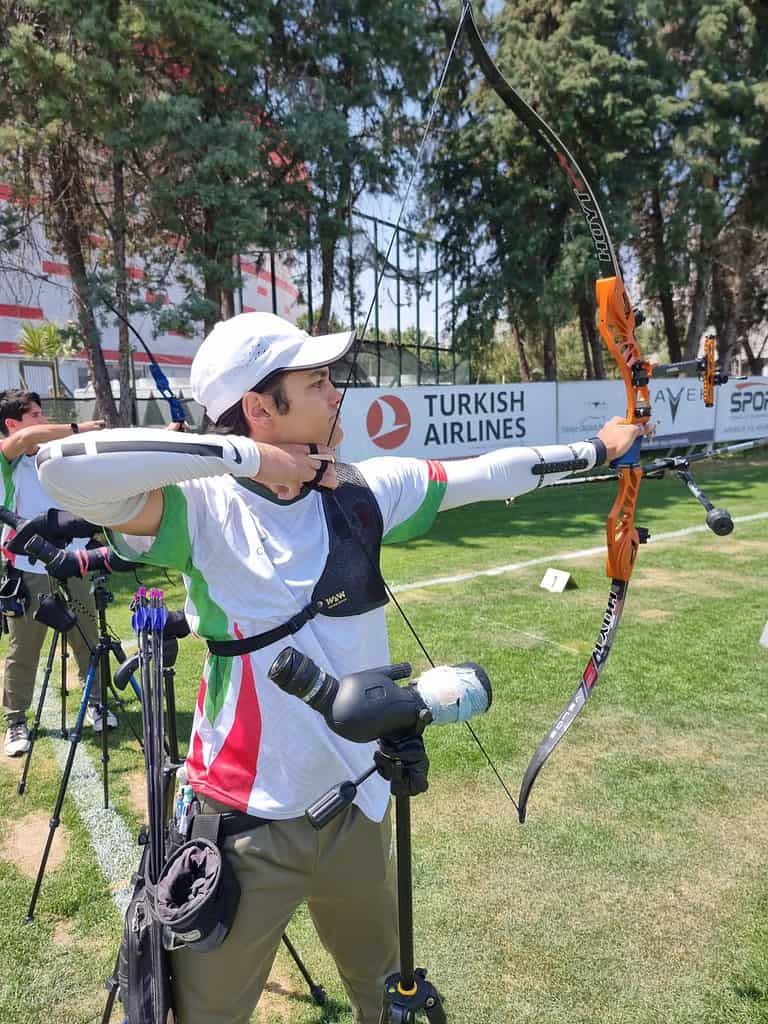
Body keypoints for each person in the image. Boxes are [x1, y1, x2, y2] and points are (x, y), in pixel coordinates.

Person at [36, 312, 642, 1024]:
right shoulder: (199, 507)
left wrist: (597, 448)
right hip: (244, 822)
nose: (336, 394)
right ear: (260, 409)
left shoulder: (364, 488)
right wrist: (255, 460)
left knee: (384, 997)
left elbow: (488, 473)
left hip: (358, 805)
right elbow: (67, 471)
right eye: (317, 381)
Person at [0, 390, 115, 756]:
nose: (42, 420)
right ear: (12, 424)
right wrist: (77, 427)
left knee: (87, 637)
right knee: (24, 649)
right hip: (28, 570)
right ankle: (16, 721)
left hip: (72, 563)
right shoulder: (9, 459)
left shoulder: (56, 457)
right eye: (35, 415)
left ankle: (97, 702)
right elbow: (24, 441)